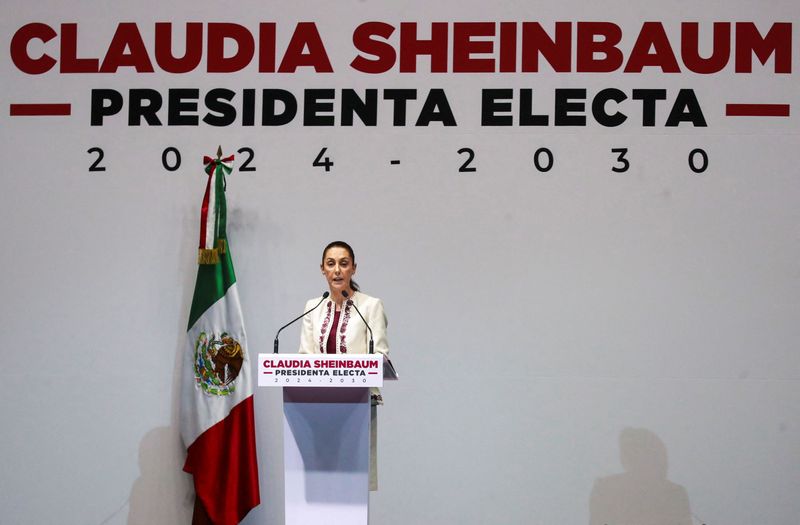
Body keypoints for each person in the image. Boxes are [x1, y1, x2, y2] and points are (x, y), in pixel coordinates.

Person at [298, 240, 389, 491]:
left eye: (343, 264)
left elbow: (380, 356)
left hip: (357, 405)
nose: (337, 270)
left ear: (353, 269)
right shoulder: (312, 308)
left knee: (351, 488)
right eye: (331, 264)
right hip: (316, 407)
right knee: (320, 487)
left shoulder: (370, 307)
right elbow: (304, 358)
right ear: (322, 270)